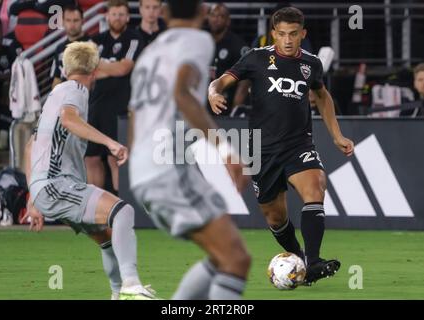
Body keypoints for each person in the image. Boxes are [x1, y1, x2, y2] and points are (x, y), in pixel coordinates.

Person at [209, 7, 354, 286]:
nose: (288, 40)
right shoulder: (255, 58)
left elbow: (322, 96)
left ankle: (313, 262)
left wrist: (337, 135)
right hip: (261, 151)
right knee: (275, 218)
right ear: (273, 33)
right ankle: (299, 258)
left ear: (303, 34)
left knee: (316, 187)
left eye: (294, 34)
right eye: (282, 34)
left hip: (299, 143)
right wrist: (213, 92)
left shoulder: (312, 64)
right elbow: (221, 81)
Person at [128, 0, 251, 299]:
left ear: (164, 13)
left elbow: (134, 113)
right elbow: (182, 93)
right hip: (167, 167)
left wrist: (140, 172)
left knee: (221, 258)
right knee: (236, 259)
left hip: (146, 169)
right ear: (202, 13)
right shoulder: (197, 40)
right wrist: (225, 150)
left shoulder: (148, 53)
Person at [23, 41, 157, 300]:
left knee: (107, 237)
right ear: (95, 70)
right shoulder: (76, 89)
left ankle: (118, 294)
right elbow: (69, 119)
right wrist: (110, 142)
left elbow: (31, 146)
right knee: (123, 211)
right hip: (56, 185)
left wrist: (32, 196)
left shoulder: (57, 92)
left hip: (47, 186)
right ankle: (130, 285)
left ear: (65, 68)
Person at [85, 0, 142, 193]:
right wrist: (113, 67)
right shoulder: (95, 40)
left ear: (127, 17)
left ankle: (120, 203)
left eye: (121, 14)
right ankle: (95, 206)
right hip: (95, 106)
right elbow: (89, 71)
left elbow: (125, 68)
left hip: (120, 106)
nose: (117, 18)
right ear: (107, 16)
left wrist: (102, 66)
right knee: (91, 157)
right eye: (114, 14)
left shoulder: (133, 38)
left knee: (115, 157)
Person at [207, 2, 249, 116]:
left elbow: (244, 82)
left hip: (226, 106)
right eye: (213, 15)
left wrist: (235, 111)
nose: (216, 19)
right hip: (203, 106)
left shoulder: (238, 45)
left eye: (220, 16)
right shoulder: (202, 42)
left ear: (228, 21)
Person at [0, 14, 16, 150]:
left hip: (7, 95)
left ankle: (3, 134)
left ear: (1, 32)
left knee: (7, 87)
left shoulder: (9, 50)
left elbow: (17, 72)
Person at [50, 4, 90, 89]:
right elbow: (56, 79)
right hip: (64, 97)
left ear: (82, 21)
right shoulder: (60, 48)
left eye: (75, 20)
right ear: (63, 22)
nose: (72, 25)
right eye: (68, 20)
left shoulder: (91, 45)